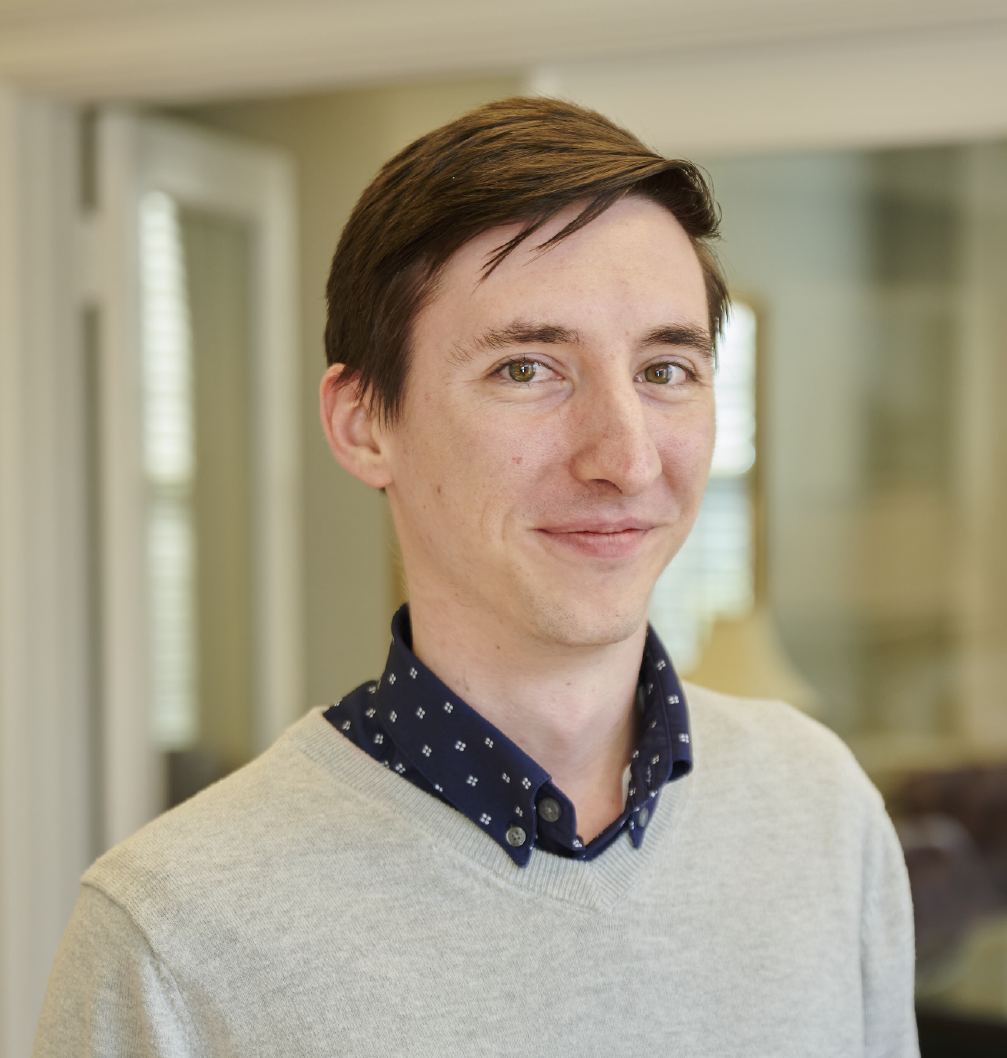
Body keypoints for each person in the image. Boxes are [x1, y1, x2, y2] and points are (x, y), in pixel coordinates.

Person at [34, 97, 917, 1057]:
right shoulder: (175, 938)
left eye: (666, 369)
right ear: (365, 421)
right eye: (528, 369)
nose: (624, 458)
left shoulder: (822, 809)